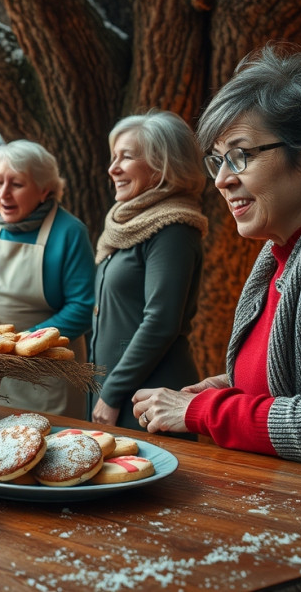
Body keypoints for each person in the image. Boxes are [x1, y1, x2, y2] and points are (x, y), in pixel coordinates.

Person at [132, 47, 301, 475]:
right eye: (217, 160)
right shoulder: (284, 251)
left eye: (241, 155)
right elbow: (300, 380)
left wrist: (205, 410)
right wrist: (230, 385)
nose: (221, 180)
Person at [0, 140, 96, 418]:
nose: (3, 194)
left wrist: (26, 341)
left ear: (44, 190)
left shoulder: (69, 232)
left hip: (46, 377)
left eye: (16, 184)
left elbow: (82, 307)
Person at [88, 110, 207, 434]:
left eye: (125, 157)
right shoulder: (128, 227)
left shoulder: (174, 230)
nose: (112, 168)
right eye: (114, 157)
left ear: (161, 167)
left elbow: (161, 321)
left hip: (148, 399)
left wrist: (111, 394)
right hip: (116, 392)